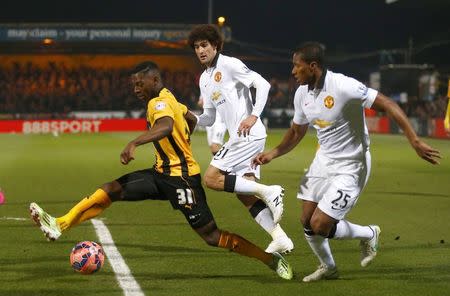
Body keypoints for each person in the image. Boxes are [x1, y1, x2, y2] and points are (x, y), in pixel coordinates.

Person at [29, 61, 293, 280]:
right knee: (112, 189)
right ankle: (60, 223)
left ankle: (270, 259)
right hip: (160, 174)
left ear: (154, 80)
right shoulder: (169, 98)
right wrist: (187, 128)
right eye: (133, 85)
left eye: (139, 84)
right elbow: (186, 117)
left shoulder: (158, 104)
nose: (135, 89)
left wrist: (135, 141)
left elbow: (166, 125)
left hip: (182, 181)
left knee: (212, 237)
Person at [252, 42, 441, 282]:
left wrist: (414, 141)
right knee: (305, 220)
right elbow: (297, 132)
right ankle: (328, 268)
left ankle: (369, 233)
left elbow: (389, 104)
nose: (292, 72)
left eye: (296, 66)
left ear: (313, 66)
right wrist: (273, 153)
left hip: (352, 165)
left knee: (320, 224)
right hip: (323, 161)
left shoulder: (344, 86)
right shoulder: (301, 93)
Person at [187, 24, 293, 254]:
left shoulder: (230, 64)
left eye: (204, 45)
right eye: (196, 47)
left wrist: (254, 115)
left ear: (215, 45)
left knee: (212, 179)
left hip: (247, 136)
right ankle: (279, 236)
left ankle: (269, 191)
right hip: (240, 138)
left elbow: (262, 84)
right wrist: (189, 116)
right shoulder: (204, 80)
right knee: (244, 194)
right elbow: (209, 117)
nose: (200, 50)